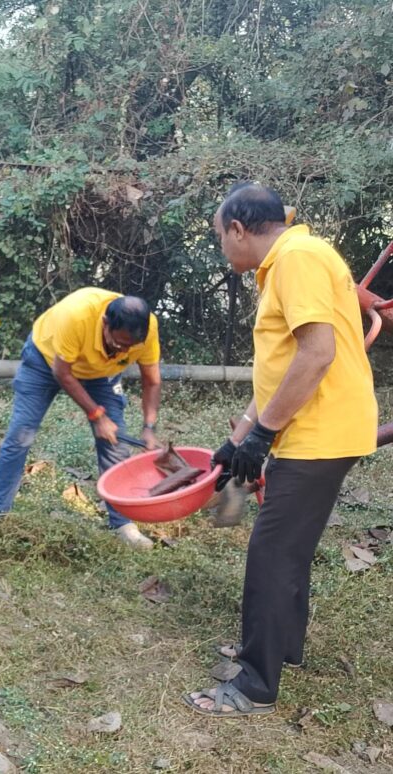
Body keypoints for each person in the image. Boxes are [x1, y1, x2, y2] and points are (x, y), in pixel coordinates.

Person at [185, 183, 377, 717]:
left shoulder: (296, 259)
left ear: (238, 229)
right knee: (288, 547)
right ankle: (282, 647)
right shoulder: (291, 261)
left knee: (271, 552)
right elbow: (283, 366)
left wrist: (263, 434)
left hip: (319, 430)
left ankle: (254, 685)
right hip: (314, 426)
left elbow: (316, 355)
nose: (222, 247)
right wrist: (240, 437)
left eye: (220, 236)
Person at [0, 288, 163, 549]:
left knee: (115, 444)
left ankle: (122, 524)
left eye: (130, 347)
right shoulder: (76, 316)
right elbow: (62, 373)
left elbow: (152, 380)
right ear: (105, 323)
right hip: (46, 361)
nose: (123, 351)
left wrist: (149, 427)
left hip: (101, 373)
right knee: (20, 436)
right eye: (118, 344)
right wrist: (97, 415)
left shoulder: (147, 330)